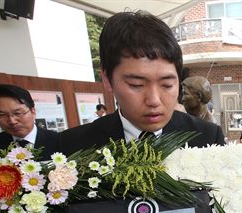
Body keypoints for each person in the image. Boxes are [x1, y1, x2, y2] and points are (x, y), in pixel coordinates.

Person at [59, 11, 224, 155]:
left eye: (166, 85)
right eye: (136, 85)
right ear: (107, 79)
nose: (154, 100)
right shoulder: (72, 146)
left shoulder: (207, 137)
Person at [0, 84, 58, 160]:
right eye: (2, 115)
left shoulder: (58, 140)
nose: (12, 121)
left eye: (18, 113)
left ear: (33, 111)